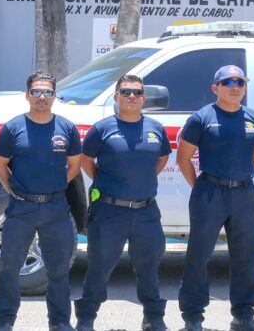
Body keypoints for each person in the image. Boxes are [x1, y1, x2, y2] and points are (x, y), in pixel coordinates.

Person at [74, 74, 170, 331]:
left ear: (143, 98)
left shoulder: (155, 128)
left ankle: (153, 318)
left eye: (137, 93)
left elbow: (161, 160)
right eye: (126, 92)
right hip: (109, 211)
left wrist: (140, 181)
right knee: (98, 269)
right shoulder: (102, 128)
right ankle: (86, 318)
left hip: (146, 211)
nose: (132, 97)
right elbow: (85, 159)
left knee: (149, 268)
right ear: (116, 96)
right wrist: (106, 181)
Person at [175, 65, 254, 331]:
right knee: (199, 255)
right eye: (228, 82)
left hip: (244, 193)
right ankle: (193, 315)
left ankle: (244, 314)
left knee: (245, 256)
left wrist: (238, 178)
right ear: (215, 88)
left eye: (240, 82)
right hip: (210, 192)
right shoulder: (201, 118)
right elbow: (183, 159)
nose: (235, 87)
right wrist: (203, 187)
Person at [0, 71, 82, 331]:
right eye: (36, 92)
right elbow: (0, 164)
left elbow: (74, 164)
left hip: (56, 208)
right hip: (22, 207)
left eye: (47, 92)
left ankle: (60, 321)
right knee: (10, 267)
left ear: (54, 96)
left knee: (59, 269)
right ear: (27, 95)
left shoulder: (66, 127)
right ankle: (5, 319)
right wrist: (14, 189)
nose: (42, 97)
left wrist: (57, 185)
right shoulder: (13, 127)